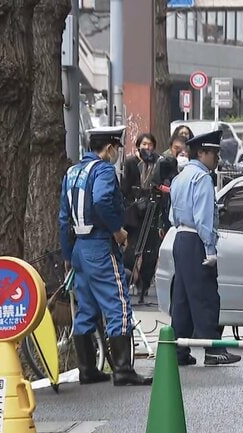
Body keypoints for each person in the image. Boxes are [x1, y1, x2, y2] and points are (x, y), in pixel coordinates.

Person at [58, 125, 152, 386]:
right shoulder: (103, 170)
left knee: (86, 307)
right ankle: (123, 369)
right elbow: (101, 200)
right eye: (116, 149)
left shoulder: (72, 171)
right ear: (109, 148)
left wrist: (68, 253)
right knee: (118, 303)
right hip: (99, 244)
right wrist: (117, 231)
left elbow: (63, 217)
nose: (117, 154)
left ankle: (87, 369)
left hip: (79, 246)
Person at [169, 130, 242, 366]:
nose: (217, 159)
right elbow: (203, 219)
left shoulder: (179, 177)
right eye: (214, 153)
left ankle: (177, 350)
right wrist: (210, 249)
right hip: (196, 241)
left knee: (182, 298)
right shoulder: (202, 179)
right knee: (206, 295)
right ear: (201, 153)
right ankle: (213, 350)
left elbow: (172, 216)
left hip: (180, 238)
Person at [121, 133, 160, 303]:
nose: (147, 148)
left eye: (150, 144)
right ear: (138, 145)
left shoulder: (157, 163)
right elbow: (124, 188)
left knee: (151, 250)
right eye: (144, 144)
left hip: (151, 212)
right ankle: (132, 278)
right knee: (133, 248)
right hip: (134, 214)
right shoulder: (130, 163)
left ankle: (144, 284)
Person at [153, 134, 188, 237]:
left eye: (183, 149)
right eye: (176, 148)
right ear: (170, 148)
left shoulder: (192, 167)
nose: (180, 152)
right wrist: (171, 190)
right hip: (166, 209)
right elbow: (156, 184)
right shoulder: (164, 164)